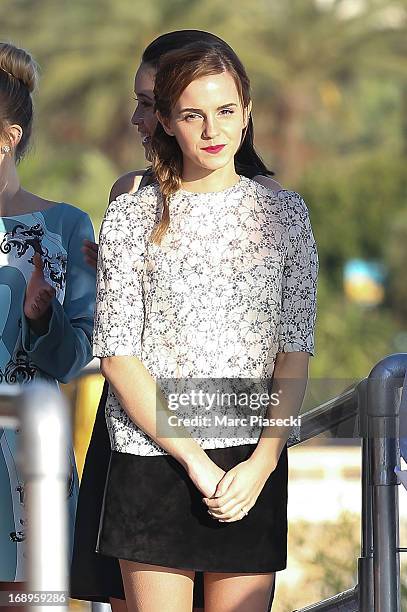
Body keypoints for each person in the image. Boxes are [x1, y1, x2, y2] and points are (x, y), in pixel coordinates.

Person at [92, 40, 318, 612]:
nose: (212, 130)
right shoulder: (131, 213)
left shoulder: (285, 213)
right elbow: (118, 352)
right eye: (192, 114)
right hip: (152, 455)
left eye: (225, 111)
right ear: (166, 121)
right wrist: (193, 459)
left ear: (247, 113)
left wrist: (265, 459)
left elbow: (294, 349)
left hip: (249, 462)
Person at [0, 42, 95, 611]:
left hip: (25, 460)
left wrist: (44, 316)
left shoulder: (64, 227)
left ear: (7, 138)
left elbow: (73, 359)